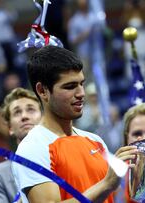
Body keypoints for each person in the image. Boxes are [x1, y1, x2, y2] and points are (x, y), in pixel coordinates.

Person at [13, 46, 137, 203]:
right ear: (42, 90)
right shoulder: (32, 148)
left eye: (81, 84)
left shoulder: (95, 140)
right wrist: (106, 184)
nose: (81, 93)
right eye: (70, 87)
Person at [0, 87, 42, 203]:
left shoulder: (63, 157)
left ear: (43, 119)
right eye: (17, 112)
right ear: (10, 128)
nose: (24, 116)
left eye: (31, 110)